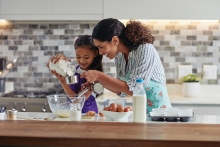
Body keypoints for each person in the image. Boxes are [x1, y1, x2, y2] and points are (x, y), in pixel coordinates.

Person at [80, 18, 172, 113]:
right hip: (140, 111)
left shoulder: (145, 49)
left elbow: (135, 88)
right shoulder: (119, 56)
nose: (100, 52)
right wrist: (98, 81)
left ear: (115, 40)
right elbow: (123, 91)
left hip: (160, 112)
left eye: (101, 47)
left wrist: (99, 76)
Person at [47, 35, 103, 113]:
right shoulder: (75, 65)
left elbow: (77, 101)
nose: (82, 61)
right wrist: (59, 59)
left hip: (87, 112)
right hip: (72, 110)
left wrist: (63, 82)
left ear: (95, 53)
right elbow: (48, 64)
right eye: (78, 56)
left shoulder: (95, 76)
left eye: (86, 57)